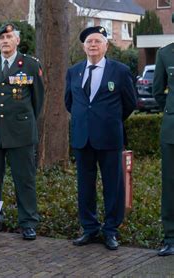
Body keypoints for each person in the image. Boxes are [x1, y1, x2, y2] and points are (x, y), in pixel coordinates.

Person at [65, 26, 136, 250]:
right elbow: (70, 102)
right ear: (83, 46)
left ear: (106, 45)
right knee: (85, 186)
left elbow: (130, 103)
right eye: (89, 42)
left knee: (112, 186)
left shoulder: (120, 71)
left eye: (97, 41)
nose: (93, 45)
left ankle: (111, 231)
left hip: (109, 138)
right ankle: (89, 228)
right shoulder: (74, 71)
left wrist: (109, 120)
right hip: (82, 138)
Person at [0, 23, 44, 238]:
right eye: (1, 38)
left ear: (17, 40)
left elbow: (38, 100)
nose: (5, 41)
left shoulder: (30, 65)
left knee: (24, 179)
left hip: (21, 133)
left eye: (9, 37)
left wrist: (23, 121)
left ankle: (28, 222)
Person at [152, 14, 174, 256]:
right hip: (172, 131)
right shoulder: (165, 54)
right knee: (170, 186)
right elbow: (158, 91)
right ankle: (170, 237)